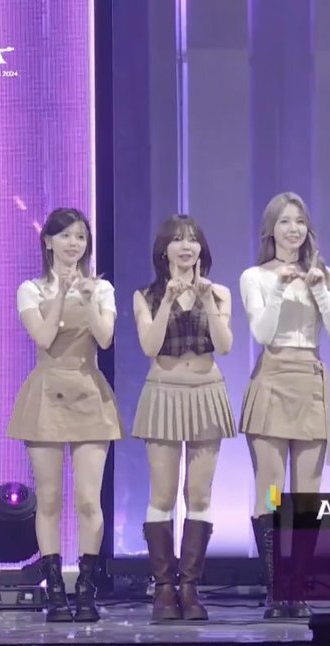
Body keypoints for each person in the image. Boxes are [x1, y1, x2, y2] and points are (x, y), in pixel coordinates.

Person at [8, 207, 123, 623]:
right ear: (48, 242)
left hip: (89, 391)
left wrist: (87, 299)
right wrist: (61, 292)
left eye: (81, 237)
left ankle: (86, 588)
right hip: (47, 394)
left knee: (89, 499)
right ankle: (55, 590)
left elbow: (105, 338)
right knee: (50, 499)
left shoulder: (101, 288)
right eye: (66, 236)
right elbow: (42, 336)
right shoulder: (31, 289)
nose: (74, 244)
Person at [239, 192, 330, 619]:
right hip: (272, 381)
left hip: (310, 383)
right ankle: (276, 588)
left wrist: (319, 290)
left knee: (306, 495)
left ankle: (298, 588)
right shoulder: (255, 277)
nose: (293, 229)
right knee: (272, 491)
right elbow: (263, 333)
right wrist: (282, 288)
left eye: (299, 222)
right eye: (284, 222)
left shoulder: (325, 274)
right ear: (271, 229)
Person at [133, 214, 234, 622]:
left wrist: (206, 301)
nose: (186, 246)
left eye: (192, 240)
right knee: (162, 494)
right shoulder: (146, 295)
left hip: (207, 391)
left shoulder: (219, 293)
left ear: (201, 250)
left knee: (200, 495)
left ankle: (190, 587)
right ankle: (163, 588)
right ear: (165, 251)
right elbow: (149, 345)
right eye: (177, 240)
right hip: (164, 392)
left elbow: (224, 346)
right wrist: (168, 302)